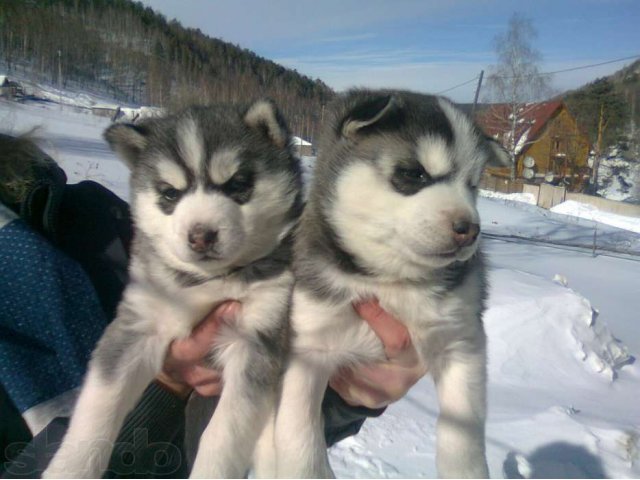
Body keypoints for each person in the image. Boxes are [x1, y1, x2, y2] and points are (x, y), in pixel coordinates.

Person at [0, 133, 427, 478]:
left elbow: (266, 402)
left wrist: (344, 395)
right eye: (170, 194)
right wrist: (164, 389)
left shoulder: (86, 213)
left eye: (237, 186)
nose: (198, 228)